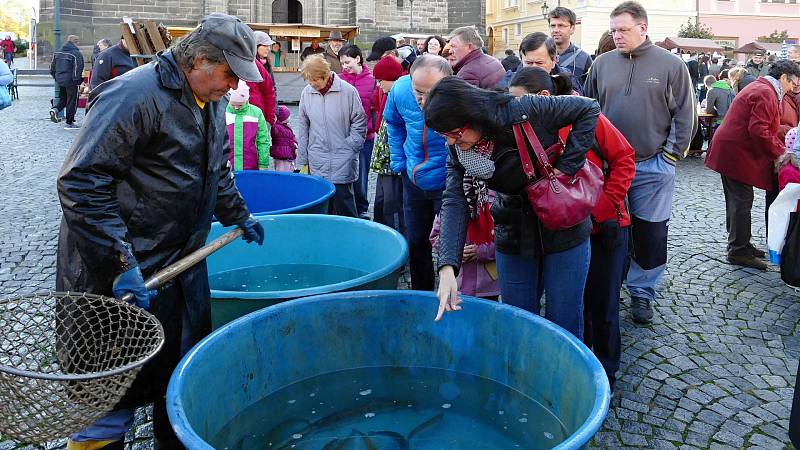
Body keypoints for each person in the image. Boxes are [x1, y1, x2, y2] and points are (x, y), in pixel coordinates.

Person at [56, 13, 265, 450]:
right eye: (229, 74)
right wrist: (119, 261)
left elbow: (215, 170)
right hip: (121, 274)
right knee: (109, 392)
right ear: (200, 60)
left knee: (176, 380)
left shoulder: (212, 99)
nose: (233, 86)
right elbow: (82, 181)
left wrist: (237, 213)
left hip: (180, 267)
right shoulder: (134, 94)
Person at [425, 75, 600, 340]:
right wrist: (447, 268)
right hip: (512, 227)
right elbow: (454, 199)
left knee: (564, 320)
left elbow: (588, 108)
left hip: (564, 224)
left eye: (455, 133)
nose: (450, 141)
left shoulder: (523, 109)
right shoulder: (460, 150)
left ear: (473, 116)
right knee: (517, 322)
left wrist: (565, 170)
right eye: (443, 135)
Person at [508, 66, 635, 391]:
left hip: (602, 226)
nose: (516, 109)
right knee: (568, 305)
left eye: (521, 102)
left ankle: (604, 377)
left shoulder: (580, 116)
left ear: (544, 97)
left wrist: (598, 211)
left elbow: (624, 159)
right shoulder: (522, 127)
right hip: (560, 234)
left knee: (602, 305)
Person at [584, 1, 696, 324]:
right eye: (613, 30)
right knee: (608, 228)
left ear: (643, 28)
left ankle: (642, 293)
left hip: (651, 165)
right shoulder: (602, 64)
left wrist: (670, 156)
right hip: (608, 167)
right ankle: (609, 285)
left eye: (623, 29)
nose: (616, 35)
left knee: (650, 232)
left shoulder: (671, 65)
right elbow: (589, 109)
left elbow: (685, 114)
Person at [705, 60, 800, 270]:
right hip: (735, 154)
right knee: (741, 202)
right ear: (783, 77)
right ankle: (738, 251)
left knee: (738, 201)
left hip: (732, 151)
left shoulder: (762, 87)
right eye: (793, 83)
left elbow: (765, 128)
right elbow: (759, 130)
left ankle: (742, 243)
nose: (794, 87)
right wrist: (780, 153)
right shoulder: (765, 92)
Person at [383, 55, 452, 290]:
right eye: (418, 91)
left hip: (446, 182)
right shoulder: (400, 90)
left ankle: (451, 292)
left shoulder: (458, 95)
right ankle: (421, 293)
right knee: (416, 240)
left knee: (449, 244)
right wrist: (399, 161)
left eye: (431, 93)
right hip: (413, 179)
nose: (423, 100)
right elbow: (393, 124)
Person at [296, 55, 365, 217]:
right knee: (321, 208)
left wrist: (350, 147)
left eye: (315, 80)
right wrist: (302, 161)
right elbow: (303, 127)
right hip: (317, 158)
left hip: (343, 158)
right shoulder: (307, 93)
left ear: (326, 75)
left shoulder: (348, 91)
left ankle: (350, 239)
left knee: (345, 205)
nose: (312, 84)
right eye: (309, 81)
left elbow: (359, 122)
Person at [429, 188, 499, 300]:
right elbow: (435, 236)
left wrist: (482, 251)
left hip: (486, 286)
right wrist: (453, 251)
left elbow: (505, 239)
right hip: (457, 283)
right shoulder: (452, 202)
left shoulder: (496, 200)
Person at [339, 44, 377, 218]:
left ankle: (361, 208)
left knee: (361, 175)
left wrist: (370, 126)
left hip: (365, 136)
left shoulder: (372, 80)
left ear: (358, 59)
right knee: (343, 172)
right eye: (342, 63)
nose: (345, 66)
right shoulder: (339, 80)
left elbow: (375, 108)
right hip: (343, 135)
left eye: (347, 62)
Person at [370, 55, 406, 233]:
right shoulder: (390, 95)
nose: (378, 84)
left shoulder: (401, 98)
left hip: (393, 165)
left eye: (380, 80)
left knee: (393, 207)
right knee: (382, 203)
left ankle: (395, 240)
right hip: (385, 163)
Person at [516, 32, 583, 94]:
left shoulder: (568, 81)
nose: (534, 68)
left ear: (553, 61)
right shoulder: (510, 82)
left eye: (539, 63)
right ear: (521, 61)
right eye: (528, 63)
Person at [226, 80, 271, 171]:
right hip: (227, 166)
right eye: (233, 104)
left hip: (250, 165)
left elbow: (263, 140)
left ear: (247, 99)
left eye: (240, 105)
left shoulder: (256, 113)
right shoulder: (222, 111)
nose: (236, 108)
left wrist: (263, 163)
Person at [548, 6, 593, 87]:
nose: (556, 30)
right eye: (553, 25)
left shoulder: (584, 58)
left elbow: (589, 91)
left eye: (561, 25)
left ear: (572, 28)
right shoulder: (542, 55)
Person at [49, 35, 85, 130]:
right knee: (72, 101)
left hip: (60, 80)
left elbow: (52, 68)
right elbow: (78, 68)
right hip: (71, 81)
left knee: (63, 99)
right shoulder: (75, 53)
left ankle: (55, 109)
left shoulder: (57, 53)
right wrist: (78, 80)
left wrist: (56, 78)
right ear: (76, 42)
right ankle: (69, 123)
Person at [246, 33, 278, 126]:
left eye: (269, 46)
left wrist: (273, 113)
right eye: (265, 45)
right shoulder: (248, 64)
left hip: (264, 115)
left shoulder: (267, 64)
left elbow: (272, 90)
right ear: (255, 46)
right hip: (250, 114)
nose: (268, 48)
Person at [271, 105, 297, 172]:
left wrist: (295, 145)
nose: (289, 117)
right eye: (288, 116)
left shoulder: (287, 126)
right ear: (283, 118)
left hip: (289, 155)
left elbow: (292, 137)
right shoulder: (276, 127)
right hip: (282, 156)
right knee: (282, 172)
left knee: (290, 170)